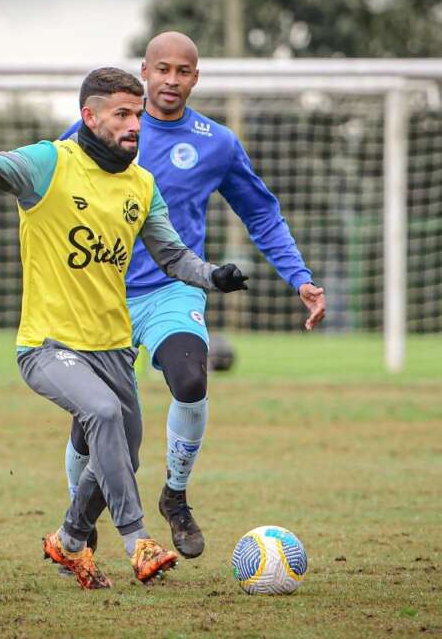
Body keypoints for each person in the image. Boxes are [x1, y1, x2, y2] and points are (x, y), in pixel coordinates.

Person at [0, 67, 249, 589]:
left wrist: (213, 276)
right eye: (123, 114)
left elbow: (174, 257)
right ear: (89, 117)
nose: (136, 123)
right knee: (102, 412)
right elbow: (2, 166)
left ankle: (68, 541)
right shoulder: (51, 162)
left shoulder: (141, 184)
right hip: (48, 344)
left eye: (138, 114)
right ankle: (139, 542)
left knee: (123, 451)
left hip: (112, 347)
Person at [59, 32, 326, 559]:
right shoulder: (97, 129)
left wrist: (300, 278)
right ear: (145, 72)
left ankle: (175, 497)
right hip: (101, 295)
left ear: (195, 78)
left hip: (171, 290)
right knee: (93, 420)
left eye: (183, 71)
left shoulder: (216, 142)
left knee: (191, 377)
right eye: (162, 70)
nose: (171, 81)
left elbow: (261, 212)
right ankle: (80, 520)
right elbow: (50, 184)